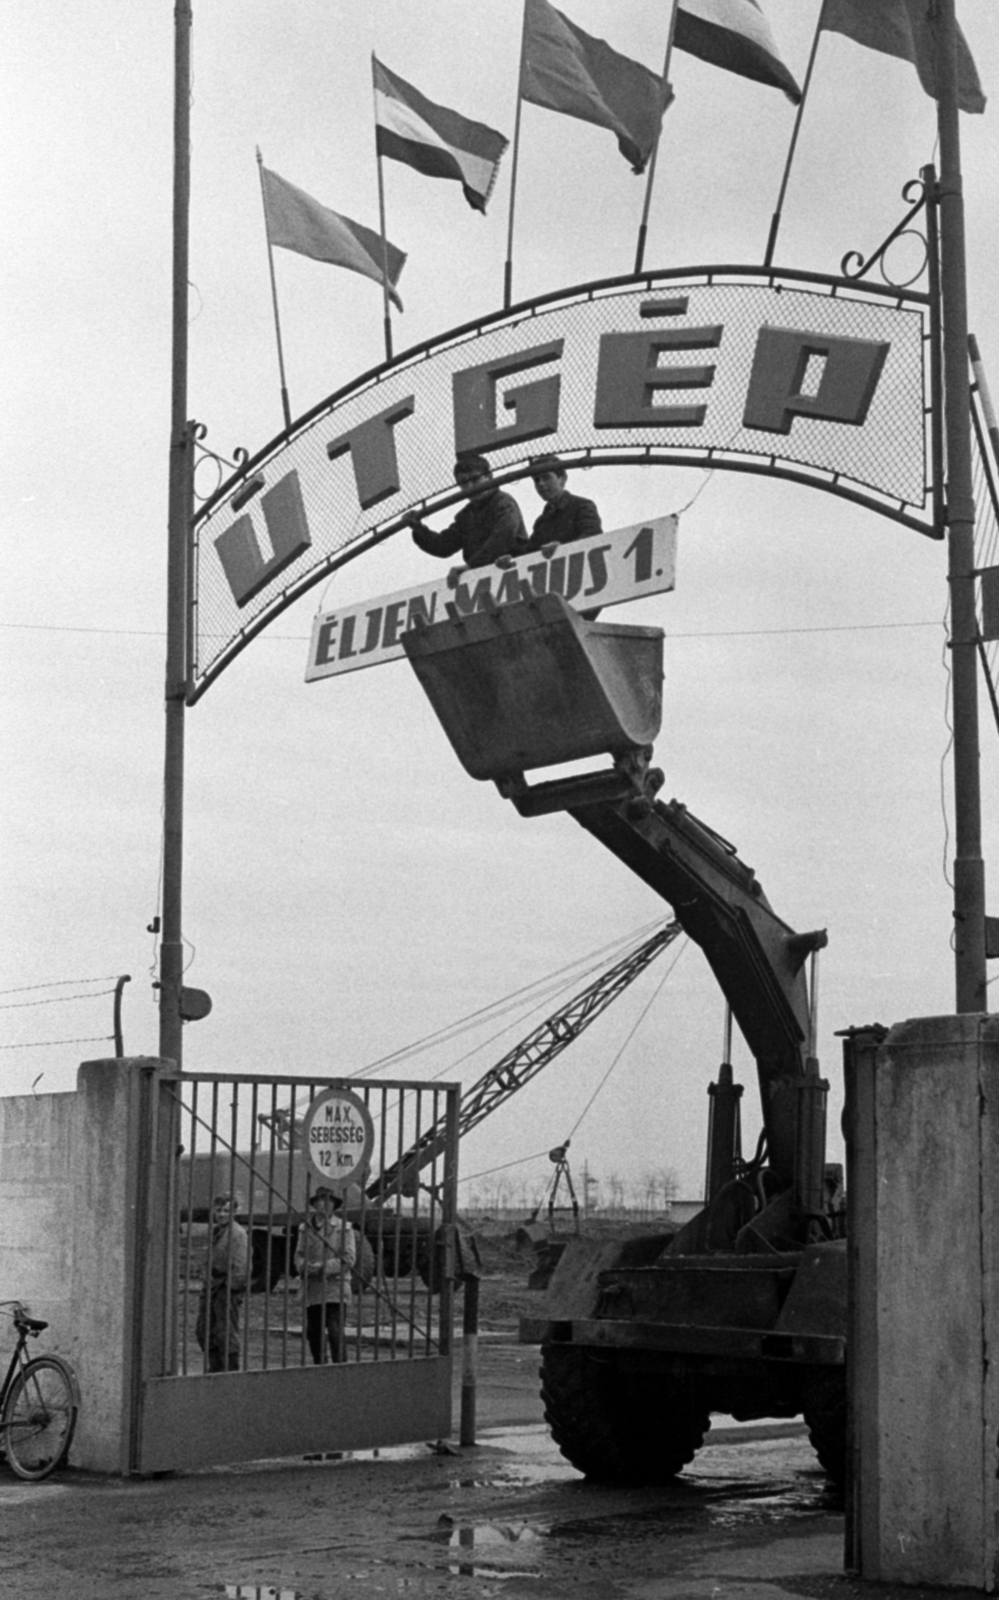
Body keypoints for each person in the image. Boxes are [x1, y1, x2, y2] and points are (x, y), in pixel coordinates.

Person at [405, 454, 527, 571]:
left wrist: (473, 565)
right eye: (464, 483)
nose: (470, 487)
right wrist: (419, 529)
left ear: (489, 476)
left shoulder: (503, 502)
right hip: (484, 576)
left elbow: (504, 535)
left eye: (475, 479)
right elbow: (443, 546)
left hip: (515, 569)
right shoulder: (467, 515)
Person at [295, 1187, 358, 1365]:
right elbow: (298, 1254)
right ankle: (320, 1365)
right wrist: (304, 1266)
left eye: (329, 1201)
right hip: (313, 1286)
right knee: (314, 1331)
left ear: (334, 1205)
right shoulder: (304, 1228)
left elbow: (349, 1258)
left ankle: (340, 1367)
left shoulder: (344, 1228)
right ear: (315, 1204)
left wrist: (324, 1267)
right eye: (321, 1200)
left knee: (335, 1330)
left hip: (335, 1286)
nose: (325, 1204)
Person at [195, 1192, 249, 1373]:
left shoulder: (238, 1233)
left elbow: (241, 1264)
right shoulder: (217, 1230)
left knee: (226, 1331)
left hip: (226, 1288)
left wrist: (230, 1288)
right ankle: (214, 1367)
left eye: (227, 1210)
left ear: (234, 1212)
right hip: (212, 1286)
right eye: (219, 1210)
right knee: (204, 1329)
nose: (222, 1214)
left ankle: (230, 1370)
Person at [525, 455, 602, 552]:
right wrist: (510, 560)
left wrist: (563, 550)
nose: (540, 483)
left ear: (562, 478)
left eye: (546, 477)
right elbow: (530, 551)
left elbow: (592, 536)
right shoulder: (541, 522)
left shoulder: (583, 506)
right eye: (536, 480)